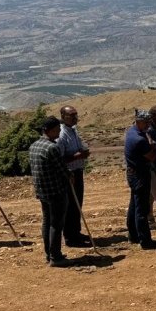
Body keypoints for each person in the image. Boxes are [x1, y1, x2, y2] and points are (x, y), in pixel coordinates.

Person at [28, 117, 71, 266]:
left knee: (47, 222)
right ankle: (55, 257)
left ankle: (49, 253)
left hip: (42, 191)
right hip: (56, 191)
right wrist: (70, 177)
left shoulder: (34, 146)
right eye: (57, 129)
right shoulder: (52, 148)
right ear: (50, 130)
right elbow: (62, 170)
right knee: (56, 224)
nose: (59, 132)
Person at [56, 106, 91, 248]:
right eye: (72, 115)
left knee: (78, 204)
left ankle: (76, 232)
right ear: (63, 117)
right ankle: (70, 237)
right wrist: (79, 155)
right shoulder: (61, 134)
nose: (75, 117)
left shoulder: (73, 130)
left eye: (76, 114)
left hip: (78, 170)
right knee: (70, 205)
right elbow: (59, 158)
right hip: (69, 174)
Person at [124, 110, 156, 248]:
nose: (148, 125)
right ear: (139, 121)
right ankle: (145, 240)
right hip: (140, 174)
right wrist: (154, 146)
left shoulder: (131, 131)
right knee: (142, 209)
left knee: (134, 204)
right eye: (146, 122)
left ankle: (133, 235)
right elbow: (151, 157)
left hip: (133, 173)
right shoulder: (139, 139)